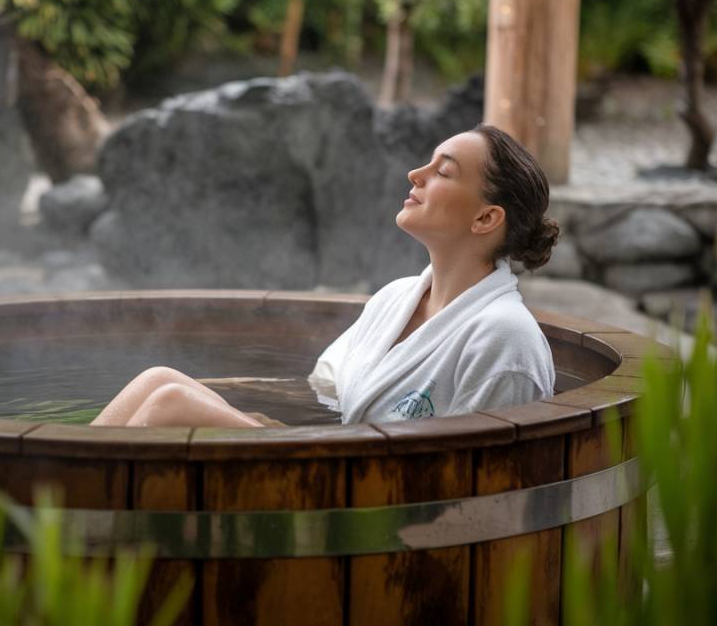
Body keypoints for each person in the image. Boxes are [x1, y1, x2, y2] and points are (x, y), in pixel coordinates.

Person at [91, 123, 558, 428]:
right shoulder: (396, 299)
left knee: (171, 406)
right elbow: (324, 394)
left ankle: (65, 555)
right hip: (336, 458)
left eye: (443, 172)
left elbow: (481, 476)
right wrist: (237, 400)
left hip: (379, 507)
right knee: (160, 380)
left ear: (485, 219)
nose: (415, 174)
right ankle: (57, 533)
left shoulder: (502, 338)